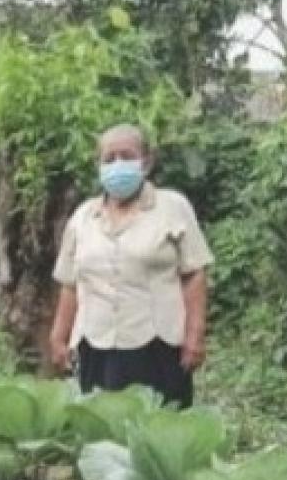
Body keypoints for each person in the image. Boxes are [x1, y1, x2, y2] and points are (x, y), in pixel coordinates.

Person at [48, 123, 212, 407]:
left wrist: (195, 336)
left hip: (157, 347)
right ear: (98, 166)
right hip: (96, 345)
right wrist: (59, 337)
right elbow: (70, 285)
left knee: (159, 429)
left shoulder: (172, 207)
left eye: (126, 156)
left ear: (146, 161)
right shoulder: (83, 217)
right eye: (109, 159)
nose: (117, 165)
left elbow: (194, 273)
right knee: (103, 432)